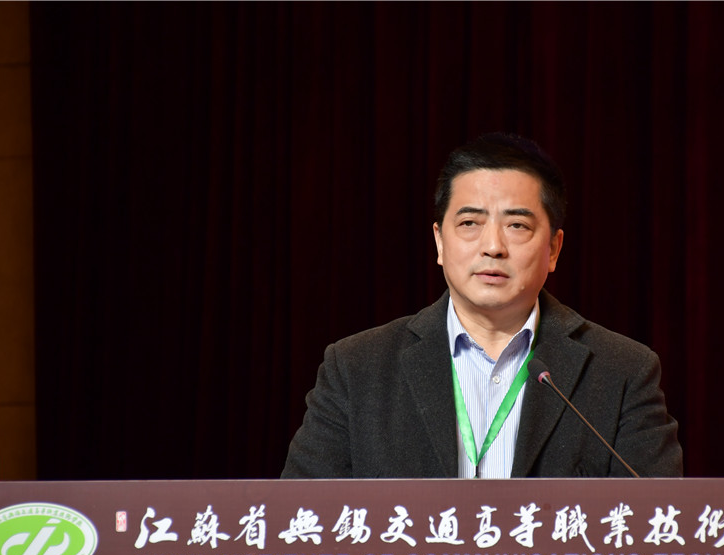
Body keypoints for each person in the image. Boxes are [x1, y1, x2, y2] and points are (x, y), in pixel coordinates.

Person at [281, 133, 682, 479]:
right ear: (440, 242)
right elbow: (301, 524)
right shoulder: (356, 369)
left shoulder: (622, 371)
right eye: (469, 223)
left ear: (554, 249)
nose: (493, 246)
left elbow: (657, 525)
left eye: (517, 225)